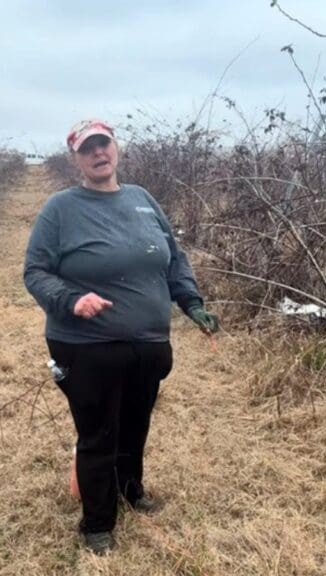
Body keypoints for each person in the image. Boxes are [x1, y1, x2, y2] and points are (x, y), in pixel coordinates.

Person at [23, 119, 220, 554]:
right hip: (86, 345)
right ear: (77, 158)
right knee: (98, 432)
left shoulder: (143, 200)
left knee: (136, 421)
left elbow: (174, 259)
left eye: (104, 144)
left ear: (116, 149)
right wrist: (71, 300)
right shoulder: (61, 208)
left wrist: (192, 303)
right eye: (88, 148)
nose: (98, 153)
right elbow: (35, 272)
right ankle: (97, 524)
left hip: (148, 343)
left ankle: (131, 490)